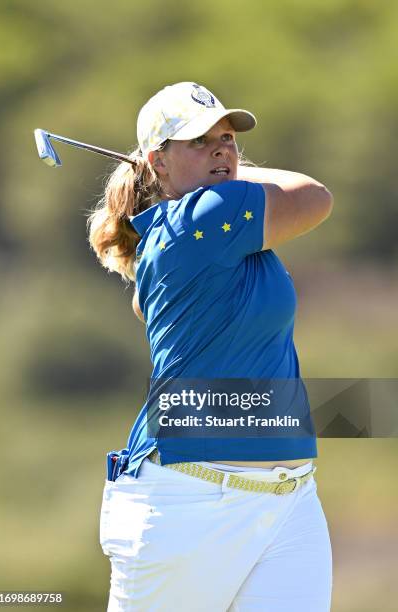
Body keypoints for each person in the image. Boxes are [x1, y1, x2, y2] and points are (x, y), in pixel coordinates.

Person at [89, 82, 333, 611]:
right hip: (190, 502)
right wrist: (233, 178)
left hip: (290, 502)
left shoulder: (222, 227)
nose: (222, 148)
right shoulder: (207, 217)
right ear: (157, 161)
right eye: (197, 140)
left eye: (226, 138)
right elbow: (315, 196)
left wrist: (211, 169)